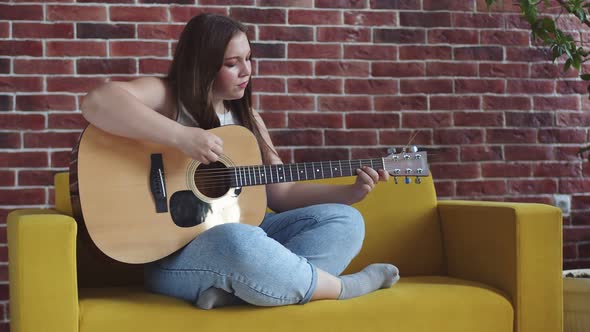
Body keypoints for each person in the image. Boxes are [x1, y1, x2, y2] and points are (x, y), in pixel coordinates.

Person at [80, 13, 399, 309]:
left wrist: (351, 192)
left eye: (248, 59)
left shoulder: (249, 119)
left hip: (243, 240)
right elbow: (97, 101)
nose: (247, 70)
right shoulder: (167, 96)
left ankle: (243, 292)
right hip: (175, 257)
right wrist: (183, 137)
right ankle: (341, 288)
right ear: (202, 65)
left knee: (345, 220)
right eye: (232, 63)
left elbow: (282, 194)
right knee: (238, 237)